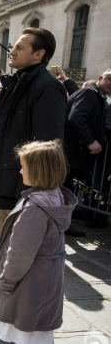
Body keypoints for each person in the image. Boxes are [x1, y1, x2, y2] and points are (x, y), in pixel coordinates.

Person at [0, 140, 77, 344]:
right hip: (44, 277)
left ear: (39, 171)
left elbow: (21, 252)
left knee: (28, 325)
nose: (20, 171)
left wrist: (7, 279)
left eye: (24, 167)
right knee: (30, 323)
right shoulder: (52, 197)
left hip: (31, 278)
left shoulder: (35, 208)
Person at [0, 28, 67, 238]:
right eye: (13, 46)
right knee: (5, 250)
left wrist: (32, 192)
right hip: (7, 185)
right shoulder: (15, 84)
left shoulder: (47, 87)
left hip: (24, 191)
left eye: (19, 47)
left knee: (19, 256)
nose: (12, 51)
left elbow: (48, 146)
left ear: (38, 54)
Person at [64, 69, 111, 230]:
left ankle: (64, 224)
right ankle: (63, 225)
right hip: (73, 152)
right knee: (66, 189)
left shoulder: (99, 97)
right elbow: (76, 117)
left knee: (67, 189)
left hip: (75, 153)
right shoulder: (90, 93)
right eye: (109, 79)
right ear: (100, 78)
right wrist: (91, 141)